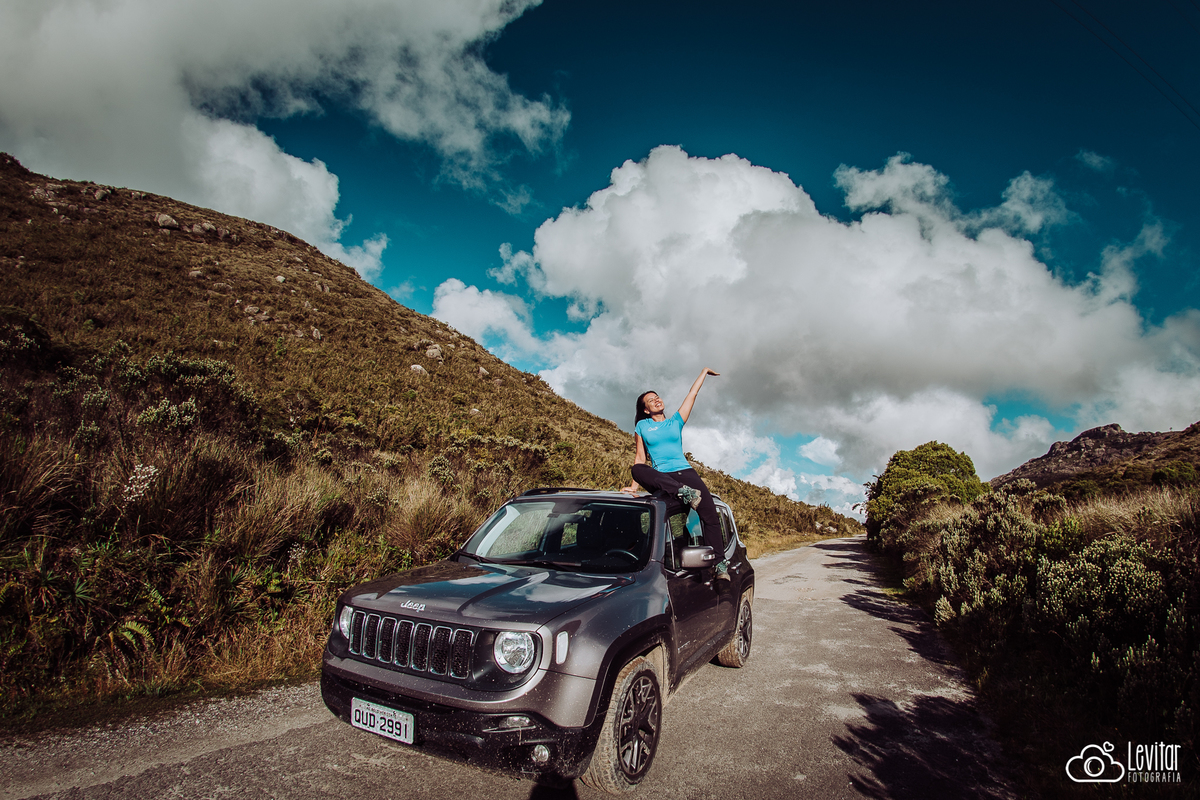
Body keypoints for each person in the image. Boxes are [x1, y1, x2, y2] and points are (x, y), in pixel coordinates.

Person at [620, 368, 729, 580]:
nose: (656, 400)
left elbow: (692, 394)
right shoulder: (642, 426)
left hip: (685, 473)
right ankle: (682, 492)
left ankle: (719, 565)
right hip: (662, 477)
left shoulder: (676, 421)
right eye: (650, 400)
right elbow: (640, 457)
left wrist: (704, 372)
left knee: (710, 516)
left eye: (657, 397)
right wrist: (633, 487)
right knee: (637, 469)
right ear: (645, 410)